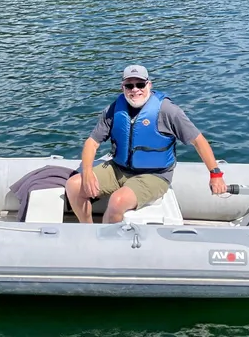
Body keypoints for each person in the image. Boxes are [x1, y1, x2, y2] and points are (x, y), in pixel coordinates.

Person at [66, 64, 228, 223]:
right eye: (129, 85)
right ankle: (88, 230)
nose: (135, 89)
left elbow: (198, 140)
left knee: (117, 200)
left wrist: (215, 174)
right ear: (123, 87)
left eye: (140, 84)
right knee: (74, 185)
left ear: (149, 84)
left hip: (154, 175)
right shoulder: (114, 110)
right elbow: (92, 143)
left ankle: (108, 242)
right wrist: (87, 172)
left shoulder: (167, 110)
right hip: (119, 169)